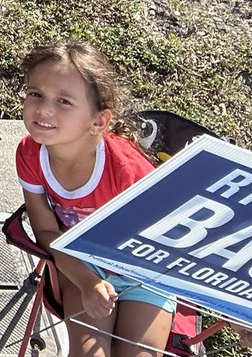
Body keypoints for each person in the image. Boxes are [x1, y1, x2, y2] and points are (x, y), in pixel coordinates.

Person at [17, 41, 175, 356]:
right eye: (36, 94)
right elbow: (47, 232)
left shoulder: (128, 172)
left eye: (64, 101)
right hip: (82, 262)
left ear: (99, 121)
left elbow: (178, 244)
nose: (44, 109)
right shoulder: (30, 153)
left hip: (145, 273)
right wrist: (87, 282)